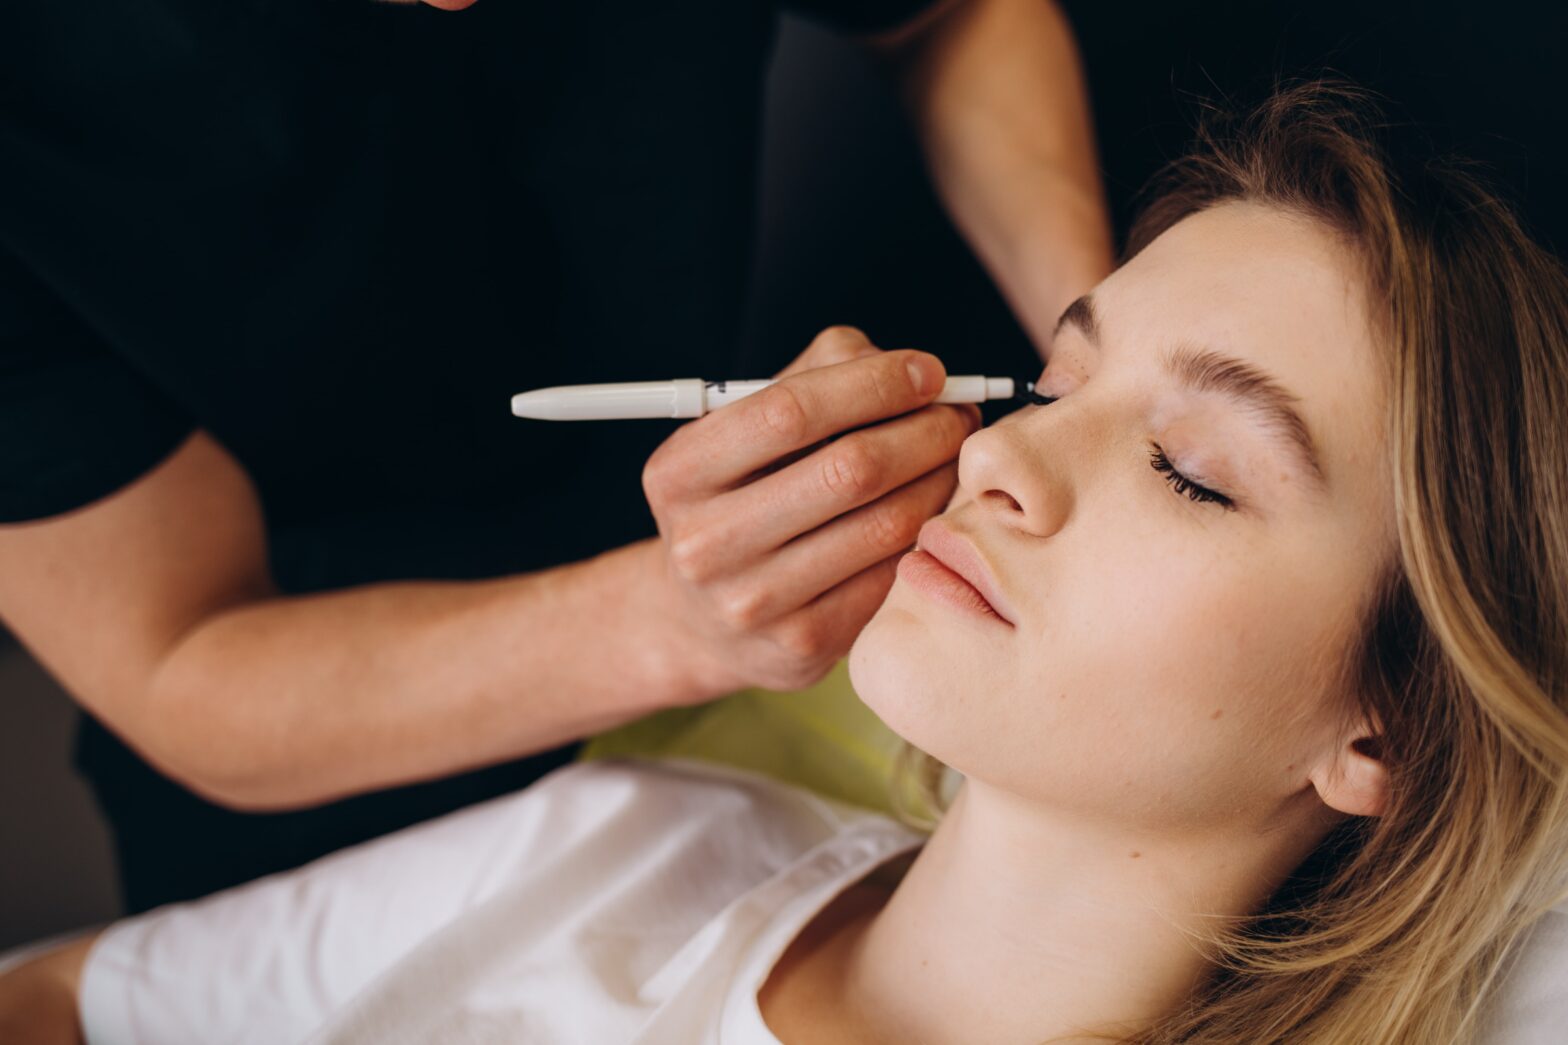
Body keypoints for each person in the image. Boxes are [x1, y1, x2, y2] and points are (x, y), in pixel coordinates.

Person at [6, 80, 1566, 1044]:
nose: (1002, 454)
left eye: (1189, 469)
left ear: (1394, 724)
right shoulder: (638, 835)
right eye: (1058, 379)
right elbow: (70, 1001)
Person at [0, 0, 1113, 911]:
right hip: (338, 783)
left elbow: (946, 17)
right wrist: (670, 623)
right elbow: (179, 656)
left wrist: (1101, 332)